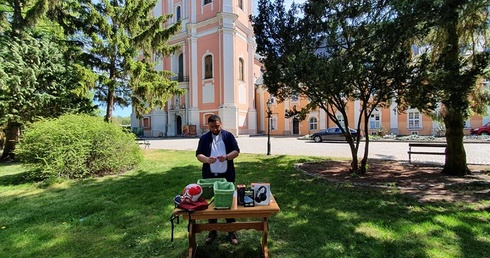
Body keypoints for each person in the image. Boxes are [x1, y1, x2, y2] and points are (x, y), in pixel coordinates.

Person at [196, 114, 240, 245]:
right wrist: (207, 160)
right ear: (208, 126)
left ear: (221, 124)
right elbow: (198, 154)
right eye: (211, 127)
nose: (214, 129)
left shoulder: (228, 136)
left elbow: (236, 151)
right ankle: (212, 231)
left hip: (227, 176)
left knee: (229, 204)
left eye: (216, 126)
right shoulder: (204, 138)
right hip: (209, 177)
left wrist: (226, 157)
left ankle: (232, 232)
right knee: (211, 205)